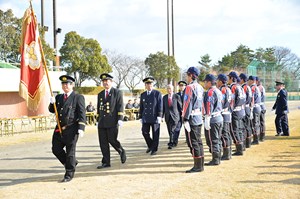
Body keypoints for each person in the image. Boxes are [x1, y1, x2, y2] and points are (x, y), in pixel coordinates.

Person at [49, 75, 86, 182]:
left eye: (67, 84)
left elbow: (82, 113)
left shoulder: (78, 97)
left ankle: (69, 173)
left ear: (72, 85)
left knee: (70, 152)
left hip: (72, 128)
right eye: (63, 84)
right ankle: (71, 163)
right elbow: (53, 110)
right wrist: (52, 103)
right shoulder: (59, 97)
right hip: (59, 129)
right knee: (56, 149)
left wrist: (81, 127)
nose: (65, 86)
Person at [96, 73, 126, 169]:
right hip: (102, 122)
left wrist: (120, 119)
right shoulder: (100, 94)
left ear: (111, 82)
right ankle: (106, 161)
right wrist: (97, 120)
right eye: (104, 81)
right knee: (103, 142)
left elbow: (120, 106)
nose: (105, 83)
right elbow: (98, 108)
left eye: (107, 81)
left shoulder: (117, 92)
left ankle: (121, 151)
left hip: (113, 121)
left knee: (112, 140)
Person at [182, 66, 204, 173]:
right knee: (198, 141)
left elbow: (187, 103)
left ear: (191, 75)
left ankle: (197, 166)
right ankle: (200, 164)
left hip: (191, 117)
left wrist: (185, 118)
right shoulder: (200, 87)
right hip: (199, 116)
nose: (186, 77)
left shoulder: (189, 87)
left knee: (192, 142)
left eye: (187, 75)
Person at [203, 74, 223, 166]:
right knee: (217, 139)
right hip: (219, 117)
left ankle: (215, 159)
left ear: (210, 82)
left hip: (213, 118)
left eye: (205, 82)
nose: (204, 83)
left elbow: (208, 105)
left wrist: (207, 117)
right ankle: (218, 156)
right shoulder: (218, 91)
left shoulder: (210, 92)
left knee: (212, 140)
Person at [139, 77, 163, 155]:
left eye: (150, 84)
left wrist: (159, 115)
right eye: (147, 84)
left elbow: (160, 105)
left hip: (155, 116)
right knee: (144, 132)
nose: (149, 85)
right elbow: (141, 106)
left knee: (155, 133)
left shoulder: (157, 93)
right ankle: (151, 145)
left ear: (152, 85)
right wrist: (140, 116)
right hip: (146, 117)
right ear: (145, 85)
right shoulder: (143, 94)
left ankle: (154, 149)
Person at [228, 71, 246, 156]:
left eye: (229, 77)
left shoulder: (233, 87)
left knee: (234, 130)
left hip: (235, 111)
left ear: (231, 78)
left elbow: (231, 100)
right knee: (240, 129)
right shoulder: (240, 87)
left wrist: (230, 110)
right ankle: (242, 146)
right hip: (241, 110)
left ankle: (239, 149)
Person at [216, 74, 232, 160]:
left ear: (221, 81)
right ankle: (228, 153)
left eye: (218, 80)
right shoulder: (228, 89)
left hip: (223, 113)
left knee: (223, 134)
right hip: (228, 112)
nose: (216, 82)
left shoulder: (222, 89)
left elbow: (221, 102)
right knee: (227, 134)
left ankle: (226, 154)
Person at [162, 84, 182, 149]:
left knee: (173, 130)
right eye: (168, 88)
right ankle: (172, 141)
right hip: (168, 116)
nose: (169, 90)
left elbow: (180, 107)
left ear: (173, 89)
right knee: (169, 130)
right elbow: (163, 108)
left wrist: (182, 116)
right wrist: (162, 116)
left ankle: (172, 142)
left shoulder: (177, 96)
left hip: (176, 116)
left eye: (170, 88)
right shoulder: (164, 97)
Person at [239, 73, 253, 149]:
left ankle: (244, 144)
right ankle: (248, 143)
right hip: (248, 107)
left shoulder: (244, 87)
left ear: (242, 79)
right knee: (248, 126)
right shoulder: (248, 87)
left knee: (244, 127)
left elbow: (243, 99)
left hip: (244, 107)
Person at [248, 75, 261, 145]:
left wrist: (251, 109)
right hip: (258, 107)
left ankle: (256, 139)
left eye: (249, 80)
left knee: (254, 124)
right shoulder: (257, 87)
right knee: (256, 123)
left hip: (255, 107)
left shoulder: (252, 87)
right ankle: (257, 138)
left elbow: (252, 98)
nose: (248, 82)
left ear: (252, 81)